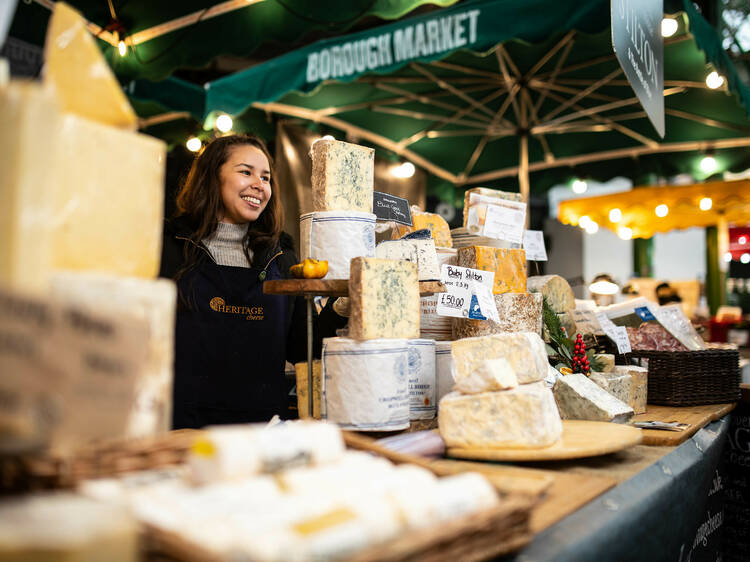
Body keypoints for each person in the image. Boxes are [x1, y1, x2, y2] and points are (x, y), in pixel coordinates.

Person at [160, 134, 345, 429]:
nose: (260, 185)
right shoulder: (169, 247)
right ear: (212, 177)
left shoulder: (280, 256)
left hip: (263, 433)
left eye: (266, 177)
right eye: (246, 172)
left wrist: (341, 307)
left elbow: (302, 349)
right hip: (182, 430)